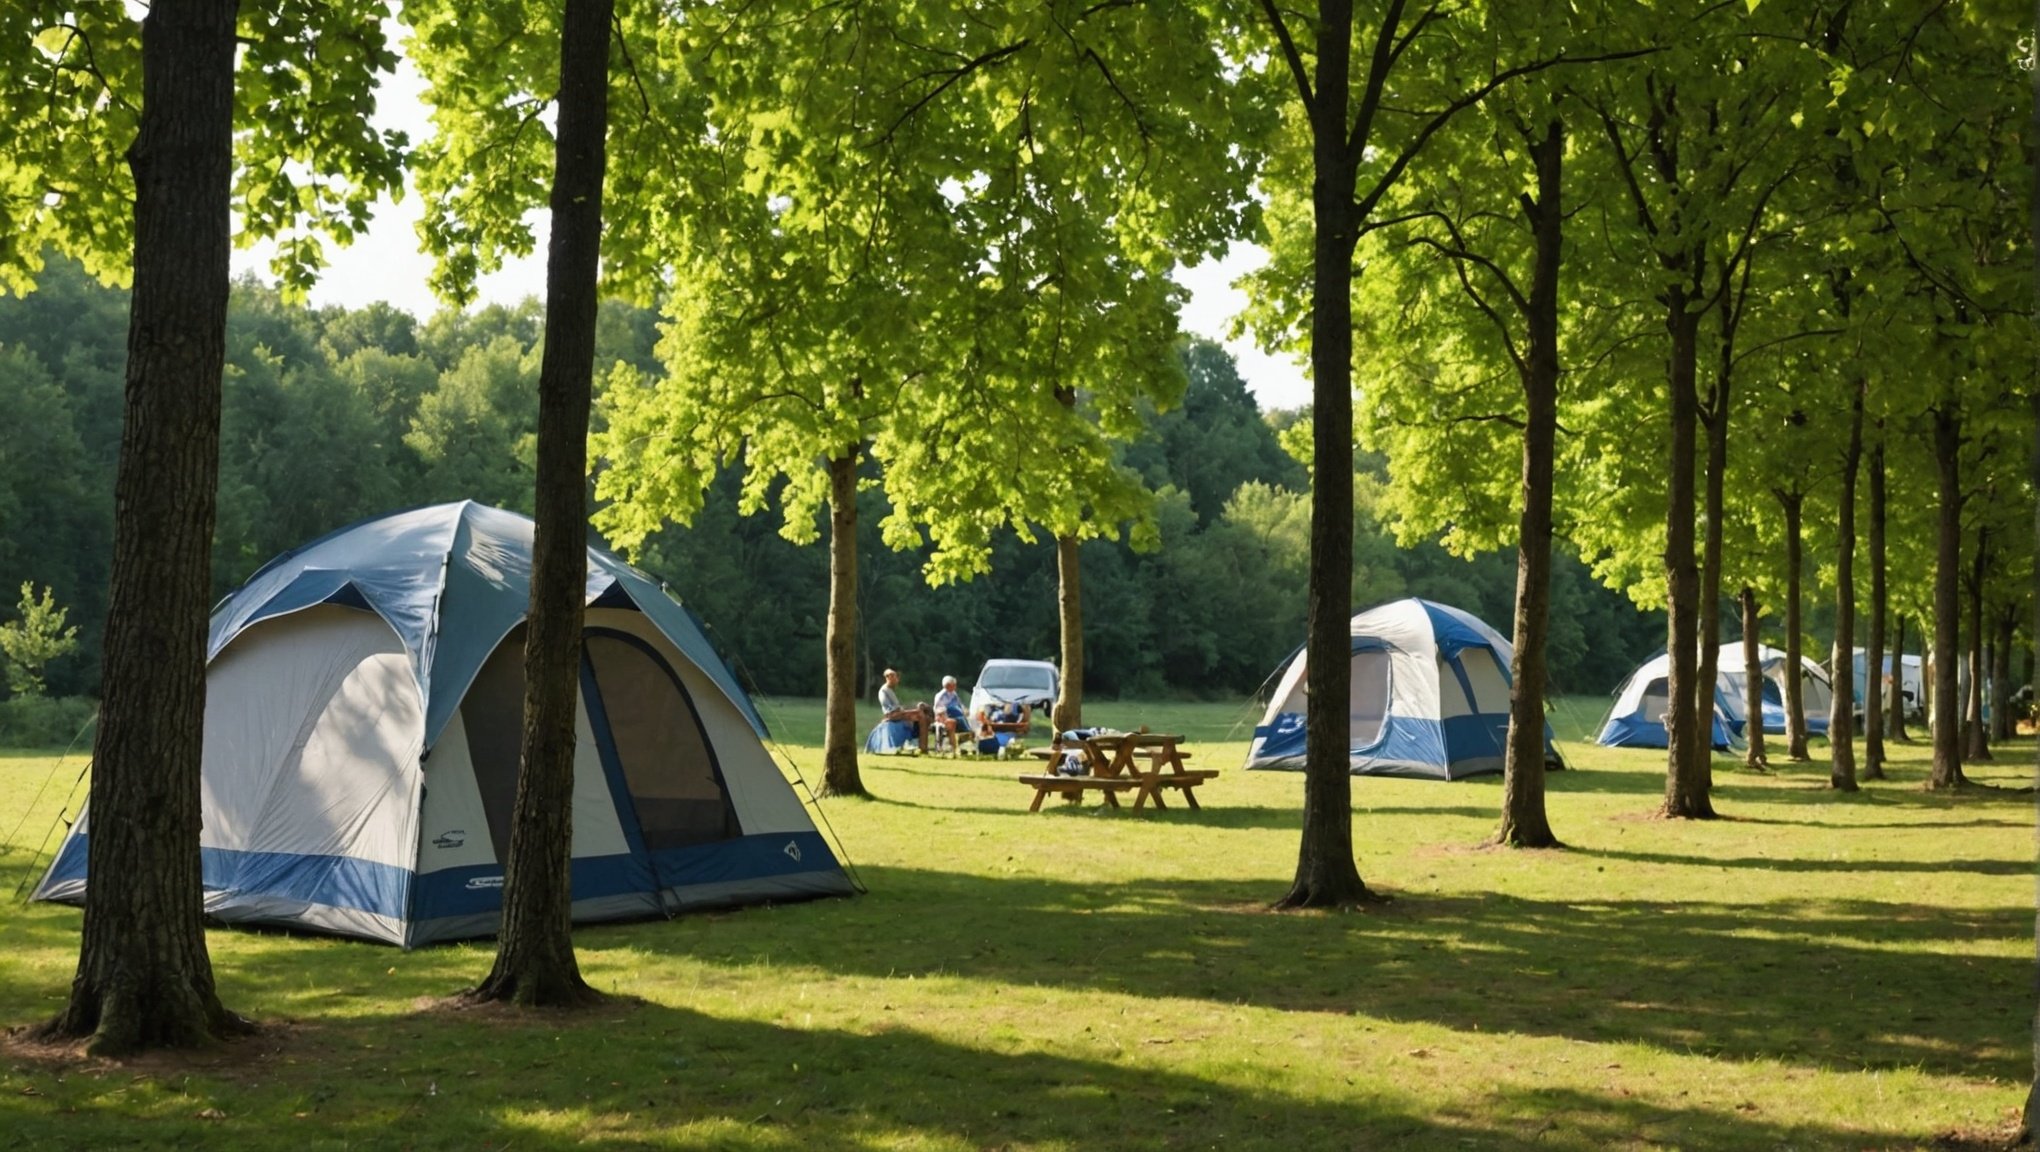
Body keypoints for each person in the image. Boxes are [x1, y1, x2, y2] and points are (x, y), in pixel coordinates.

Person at [876, 667, 928, 753]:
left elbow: (898, 706)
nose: (897, 680)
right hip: (892, 715)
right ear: (888, 678)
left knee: (921, 713)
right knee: (919, 714)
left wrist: (907, 709)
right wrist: (905, 711)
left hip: (897, 712)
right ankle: (919, 745)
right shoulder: (883, 691)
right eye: (894, 677)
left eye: (896, 677)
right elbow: (889, 709)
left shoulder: (890, 690)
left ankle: (919, 743)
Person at [931, 675, 968, 745]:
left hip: (955, 716)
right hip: (944, 717)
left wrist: (964, 710)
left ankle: (965, 737)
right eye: (953, 685)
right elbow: (938, 710)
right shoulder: (941, 696)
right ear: (947, 685)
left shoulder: (954, 694)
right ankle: (965, 736)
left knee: (966, 718)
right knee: (959, 719)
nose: (955, 687)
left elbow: (960, 704)